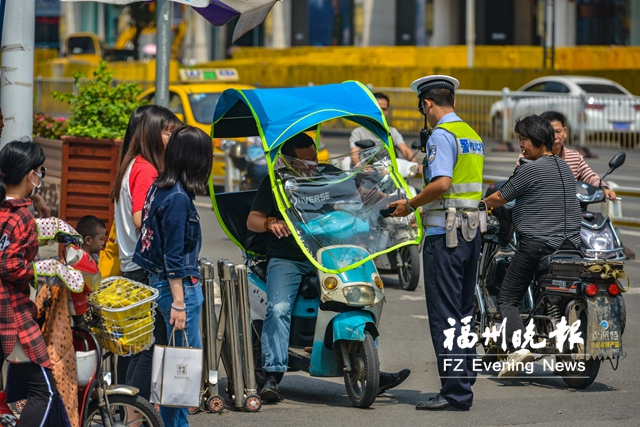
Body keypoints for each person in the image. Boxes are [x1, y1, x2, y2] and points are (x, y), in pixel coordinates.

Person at [247, 132, 410, 403]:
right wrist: (270, 224)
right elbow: (253, 220)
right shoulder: (275, 183)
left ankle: (372, 370)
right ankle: (272, 374)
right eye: (306, 161)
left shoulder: (330, 174)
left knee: (363, 298)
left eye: (315, 157)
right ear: (289, 163)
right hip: (290, 256)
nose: (313, 164)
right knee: (279, 308)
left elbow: (363, 194)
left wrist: (387, 201)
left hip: (332, 253)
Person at [387, 75, 483, 411]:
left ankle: (455, 393)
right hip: (472, 234)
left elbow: (442, 183)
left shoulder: (441, 135)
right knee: (464, 313)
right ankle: (464, 379)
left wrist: (411, 204)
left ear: (427, 104)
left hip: (447, 236)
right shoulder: (470, 134)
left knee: (446, 314)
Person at [484, 115, 581, 379]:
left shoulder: (530, 169)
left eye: (523, 140)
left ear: (538, 140)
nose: (521, 146)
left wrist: (480, 204)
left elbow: (499, 196)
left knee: (508, 297)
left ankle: (517, 348)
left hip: (538, 244)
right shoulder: (564, 168)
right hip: (571, 246)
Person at [133, 126, 212, 427]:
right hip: (179, 291)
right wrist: (179, 302)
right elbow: (174, 256)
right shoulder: (178, 198)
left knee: (173, 365)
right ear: (194, 159)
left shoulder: (159, 186)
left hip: (160, 284)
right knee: (182, 366)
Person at [110, 106, 181, 400]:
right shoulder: (145, 169)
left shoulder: (133, 165)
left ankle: (123, 406)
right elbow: (142, 218)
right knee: (147, 346)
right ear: (153, 135)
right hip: (142, 269)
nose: (173, 138)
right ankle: (133, 409)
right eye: (168, 132)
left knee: (133, 345)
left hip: (131, 266)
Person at [0, 141, 69, 427]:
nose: (41, 176)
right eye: (41, 170)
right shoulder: (23, 216)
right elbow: (8, 264)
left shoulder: (5, 210)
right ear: (31, 174)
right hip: (13, 312)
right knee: (46, 391)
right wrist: (42, 268)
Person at [517, 111, 616, 200]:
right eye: (550, 132)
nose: (555, 137)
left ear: (565, 131)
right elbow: (516, 185)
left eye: (558, 131)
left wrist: (603, 188)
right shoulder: (527, 157)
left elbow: (589, 176)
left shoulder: (575, 157)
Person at [349, 92, 418, 168]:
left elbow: (405, 150)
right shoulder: (358, 132)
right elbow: (354, 154)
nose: (381, 112)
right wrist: (362, 167)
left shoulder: (392, 131)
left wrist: (414, 164)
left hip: (389, 174)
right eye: (378, 108)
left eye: (384, 109)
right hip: (367, 176)